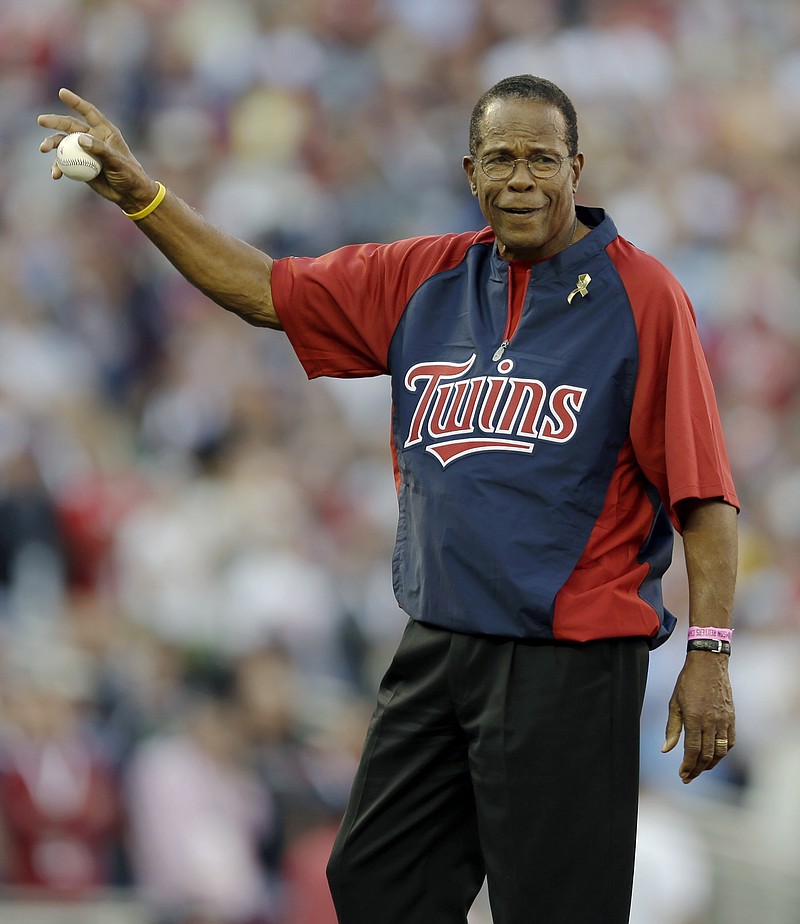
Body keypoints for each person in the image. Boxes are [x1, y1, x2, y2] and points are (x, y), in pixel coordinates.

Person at [38, 75, 739, 924]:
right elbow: (265, 290)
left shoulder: (645, 296)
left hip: (568, 658)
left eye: (542, 159)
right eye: (502, 158)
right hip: (439, 640)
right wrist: (144, 199)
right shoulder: (426, 275)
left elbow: (704, 495)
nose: (522, 178)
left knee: (554, 910)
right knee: (374, 879)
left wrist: (709, 652)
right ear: (470, 171)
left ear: (578, 167)